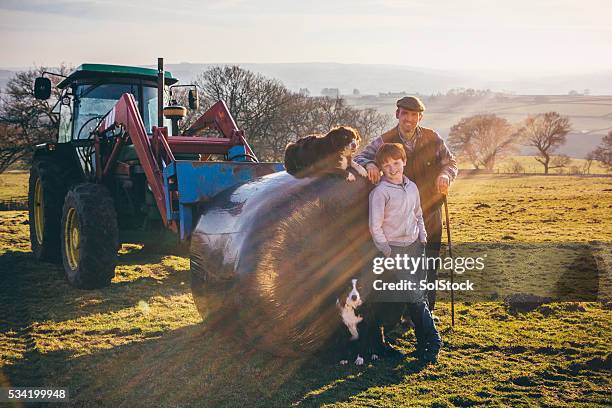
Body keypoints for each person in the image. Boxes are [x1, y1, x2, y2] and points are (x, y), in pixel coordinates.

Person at [355, 96, 458, 312]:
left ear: (420, 117)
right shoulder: (385, 140)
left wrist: (446, 175)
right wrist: (372, 163)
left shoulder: (433, 138)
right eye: (405, 114)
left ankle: (427, 311)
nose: (409, 119)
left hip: (429, 212)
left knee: (428, 264)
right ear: (397, 115)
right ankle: (400, 313)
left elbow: (451, 162)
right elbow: (361, 158)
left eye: (414, 115)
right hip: (397, 218)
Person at [368, 143, 442, 363]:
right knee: (413, 296)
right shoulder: (380, 192)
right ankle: (433, 342)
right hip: (395, 250)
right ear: (381, 168)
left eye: (396, 163)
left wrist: (423, 237)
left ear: (404, 162)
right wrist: (387, 250)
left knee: (418, 297)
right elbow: (375, 226)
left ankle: (423, 345)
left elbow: (418, 213)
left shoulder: (412, 187)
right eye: (387, 165)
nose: (393, 168)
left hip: (415, 247)